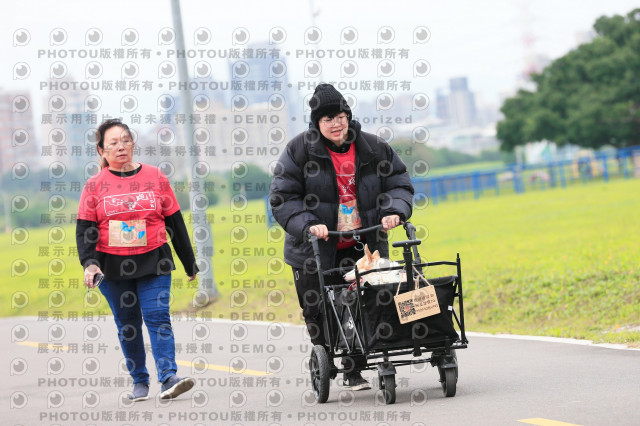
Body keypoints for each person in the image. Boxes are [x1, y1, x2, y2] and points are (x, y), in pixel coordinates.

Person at [269, 84, 414, 390]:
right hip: (315, 248)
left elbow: (398, 183)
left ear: (348, 116)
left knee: (363, 302)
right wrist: (308, 224)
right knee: (318, 309)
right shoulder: (298, 151)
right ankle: (325, 355)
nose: (336, 124)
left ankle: (353, 368)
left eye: (340, 116)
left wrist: (394, 211)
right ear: (316, 123)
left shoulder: (374, 147)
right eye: (327, 119)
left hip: (364, 244)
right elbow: (283, 198)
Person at [76, 118, 198, 401]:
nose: (121, 147)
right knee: (128, 326)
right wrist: (89, 263)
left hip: (154, 260)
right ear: (102, 151)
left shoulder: (156, 176)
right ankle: (139, 381)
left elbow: (174, 221)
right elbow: (85, 230)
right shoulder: (94, 186)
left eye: (125, 140)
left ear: (133, 144)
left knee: (158, 316)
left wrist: (189, 261)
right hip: (112, 266)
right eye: (113, 143)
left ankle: (168, 377)